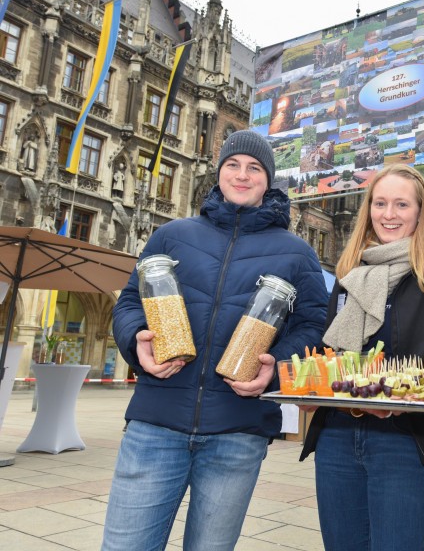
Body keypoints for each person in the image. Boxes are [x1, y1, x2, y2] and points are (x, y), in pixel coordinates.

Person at [103, 129, 328, 551]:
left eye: (254, 168)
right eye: (233, 165)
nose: (242, 175)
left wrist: (276, 368)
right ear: (219, 172)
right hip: (156, 423)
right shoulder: (172, 235)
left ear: (269, 179)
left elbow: (315, 327)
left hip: (237, 432)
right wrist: (137, 341)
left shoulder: (297, 254)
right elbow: (130, 302)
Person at [299, 164, 424, 551]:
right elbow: (329, 354)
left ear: (421, 212)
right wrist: (314, 383)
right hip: (338, 438)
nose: (388, 214)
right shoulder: (349, 274)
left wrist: (391, 399)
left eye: (401, 204)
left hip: (405, 442)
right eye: (380, 203)